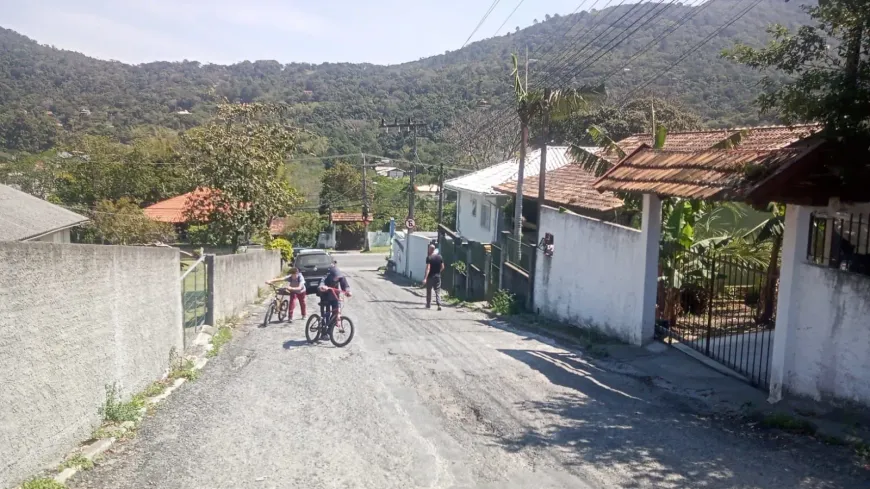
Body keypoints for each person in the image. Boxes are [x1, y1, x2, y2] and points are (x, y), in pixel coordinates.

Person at [423, 244, 444, 310]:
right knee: (437, 291)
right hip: (438, 277)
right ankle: (439, 304)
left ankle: (428, 304)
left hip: (430, 277)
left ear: (430, 249)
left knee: (429, 291)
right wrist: (438, 272)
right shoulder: (440, 257)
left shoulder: (429, 257)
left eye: (429, 248)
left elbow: (428, 268)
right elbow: (442, 267)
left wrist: (425, 278)